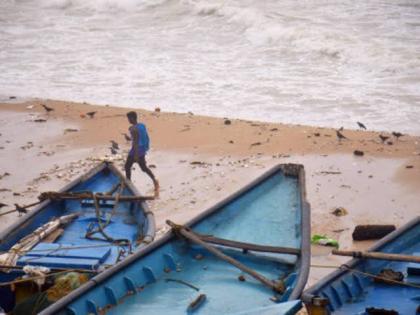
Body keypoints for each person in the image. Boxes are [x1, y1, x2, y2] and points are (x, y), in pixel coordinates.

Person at [124, 111, 159, 196]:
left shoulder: (133, 129)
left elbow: (135, 142)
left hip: (136, 150)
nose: (128, 120)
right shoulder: (142, 126)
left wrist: (136, 155)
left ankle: (129, 184)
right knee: (143, 168)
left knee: (127, 166)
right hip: (142, 149)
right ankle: (154, 180)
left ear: (132, 118)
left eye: (128, 118)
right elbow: (146, 137)